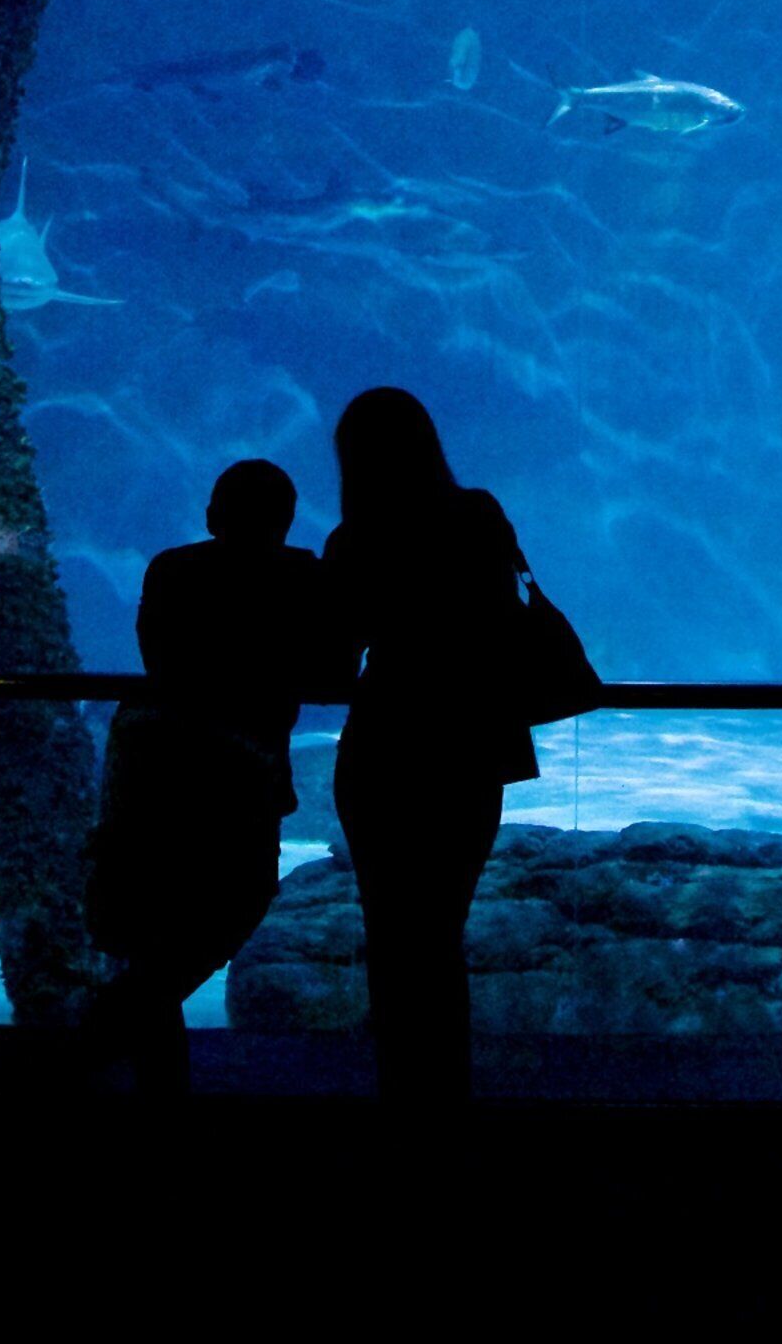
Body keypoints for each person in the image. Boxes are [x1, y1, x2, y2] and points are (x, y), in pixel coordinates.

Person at [83, 459, 342, 1094]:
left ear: (211, 516)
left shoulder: (172, 568)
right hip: (241, 770)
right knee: (236, 903)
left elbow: (158, 657)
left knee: (153, 933)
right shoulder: (302, 577)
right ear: (285, 521)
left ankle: (137, 1065)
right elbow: (330, 674)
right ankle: (101, 1034)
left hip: (153, 765)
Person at [321, 388, 537, 1103]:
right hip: (469, 746)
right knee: (442, 929)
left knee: (391, 929)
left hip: (385, 748)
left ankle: (402, 1096)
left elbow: (330, 660)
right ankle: (445, 1096)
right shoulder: (478, 515)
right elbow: (517, 616)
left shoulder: (355, 539)